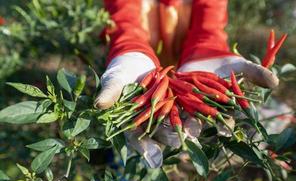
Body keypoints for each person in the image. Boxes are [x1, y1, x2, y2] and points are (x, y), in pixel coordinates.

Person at [94, 0, 279, 168]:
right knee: (129, 131)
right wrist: (129, 52)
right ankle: (121, 170)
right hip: (139, 71)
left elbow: (210, 24)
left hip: (184, 71)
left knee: (169, 131)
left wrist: (209, 52)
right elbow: (124, 17)